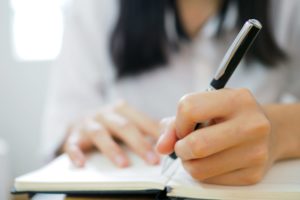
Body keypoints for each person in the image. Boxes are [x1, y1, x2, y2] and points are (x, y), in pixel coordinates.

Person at [42, 0, 300, 185]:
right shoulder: (94, 8)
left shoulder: (289, 8)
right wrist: (81, 126)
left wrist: (278, 131)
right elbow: (60, 127)